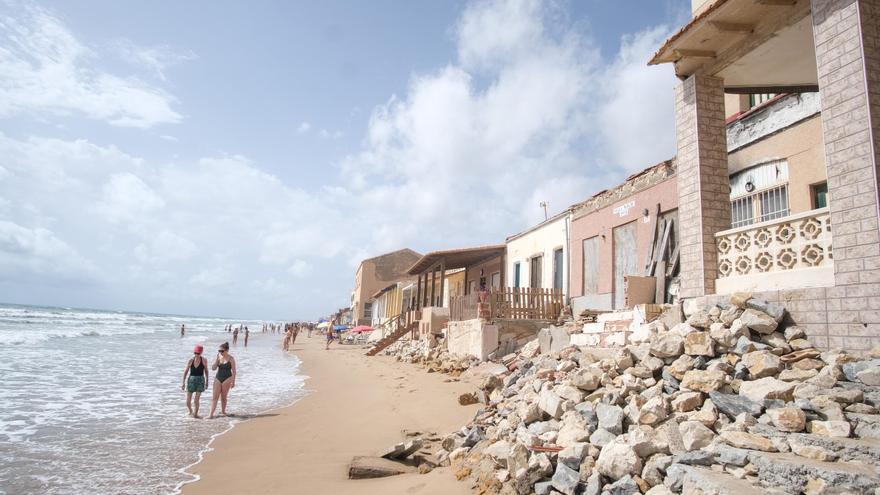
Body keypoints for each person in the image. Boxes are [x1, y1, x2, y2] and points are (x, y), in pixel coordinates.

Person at [209, 342, 236, 418]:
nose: (220, 352)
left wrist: (233, 382)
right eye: (219, 351)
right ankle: (210, 414)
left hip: (227, 378)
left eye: (222, 351)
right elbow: (213, 368)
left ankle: (223, 412)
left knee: (223, 397)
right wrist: (216, 360)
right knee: (215, 397)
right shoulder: (219, 357)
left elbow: (234, 371)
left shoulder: (231, 359)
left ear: (227, 350)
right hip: (218, 377)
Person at [181, 344, 209, 418]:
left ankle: (196, 415)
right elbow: (186, 371)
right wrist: (183, 382)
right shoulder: (191, 360)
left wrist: (207, 382)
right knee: (188, 401)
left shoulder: (204, 360)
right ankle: (190, 411)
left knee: (196, 400)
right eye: (195, 353)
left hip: (200, 380)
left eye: (198, 353)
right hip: (191, 381)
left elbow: (206, 371)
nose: (196, 354)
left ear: (201, 353)